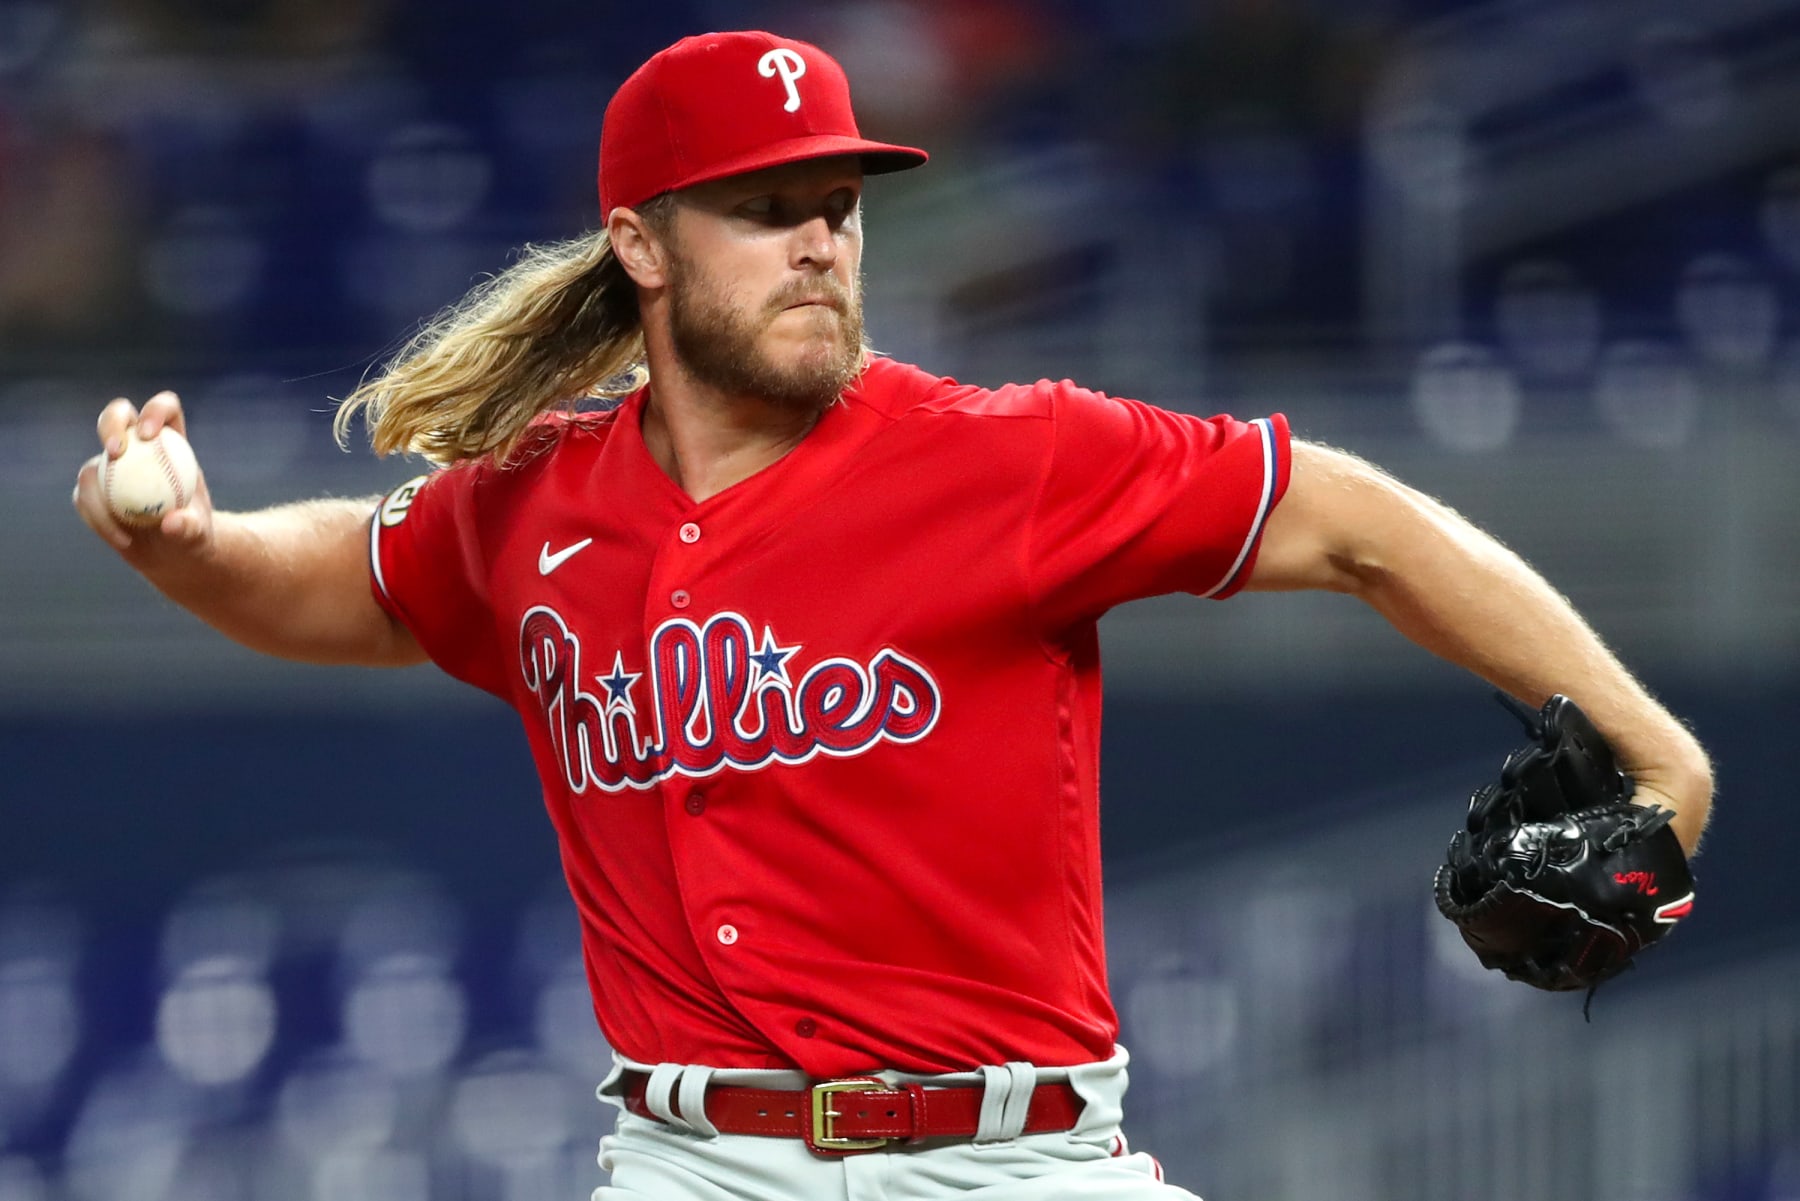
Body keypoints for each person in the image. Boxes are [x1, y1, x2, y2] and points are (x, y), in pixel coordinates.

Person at [73, 29, 1713, 1201]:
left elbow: (1349, 518)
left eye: (837, 205)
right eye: (765, 206)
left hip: (1020, 1157)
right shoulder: (535, 501)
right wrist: (194, 545)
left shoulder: (1008, 457)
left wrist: (1651, 750)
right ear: (640, 244)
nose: (819, 243)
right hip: (696, 1160)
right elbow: (354, 576)